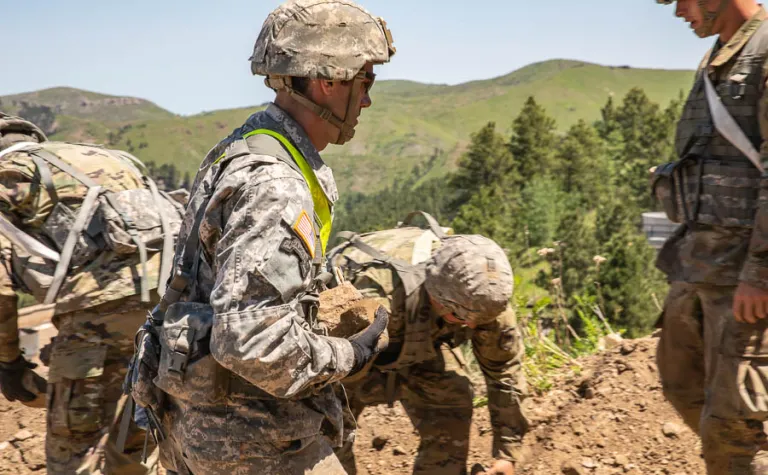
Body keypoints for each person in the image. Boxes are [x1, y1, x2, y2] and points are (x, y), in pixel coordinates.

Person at [147, 1, 396, 474]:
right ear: (329, 80)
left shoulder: (243, 147)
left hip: (201, 421)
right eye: (365, 80)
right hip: (250, 438)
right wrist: (348, 354)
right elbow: (248, 338)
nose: (366, 100)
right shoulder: (275, 182)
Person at [0, 111, 184, 474]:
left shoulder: (9, 177)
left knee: (75, 456)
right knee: (132, 454)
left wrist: (8, 362)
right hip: (173, 313)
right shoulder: (97, 158)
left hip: (96, 325)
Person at [653, 0, 768, 473]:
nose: (678, 11)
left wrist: (760, 273)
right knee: (682, 385)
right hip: (699, 268)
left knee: (735, 430)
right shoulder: (719, 57)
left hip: (744, 279)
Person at [329, 212, 528, 475]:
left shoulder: (481, 297)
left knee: (453, 398)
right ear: (436, 295)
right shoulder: (372, 300)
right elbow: (318, 371)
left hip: (419, 348)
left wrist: (507, 454)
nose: (470, 326)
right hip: (345, 360)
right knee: (327, 434)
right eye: (458, 316)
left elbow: (505, 371)